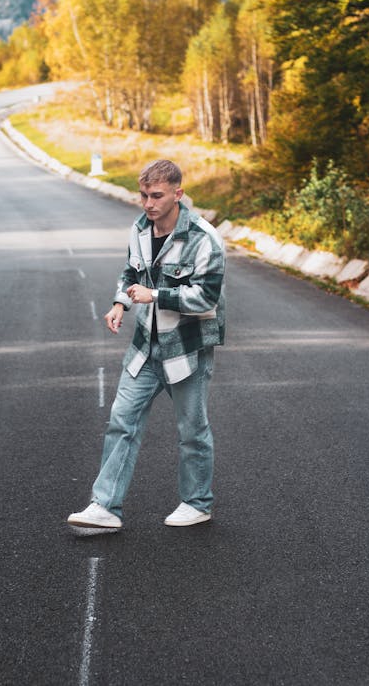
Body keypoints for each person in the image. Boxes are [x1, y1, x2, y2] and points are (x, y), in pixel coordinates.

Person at [67, 159, 225, 530]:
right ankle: (105, 506)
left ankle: (197, 502)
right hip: (144, 348)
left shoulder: (205, 239)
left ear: (178, 194)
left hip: (186, 350)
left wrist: (155, 295)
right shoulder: (139, 228)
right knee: (122, 423)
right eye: (144, 195)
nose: (149, 203)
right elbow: (130, 273)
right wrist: (120, 302)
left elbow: (206, 299)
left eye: (157, 196)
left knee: (192, 431)